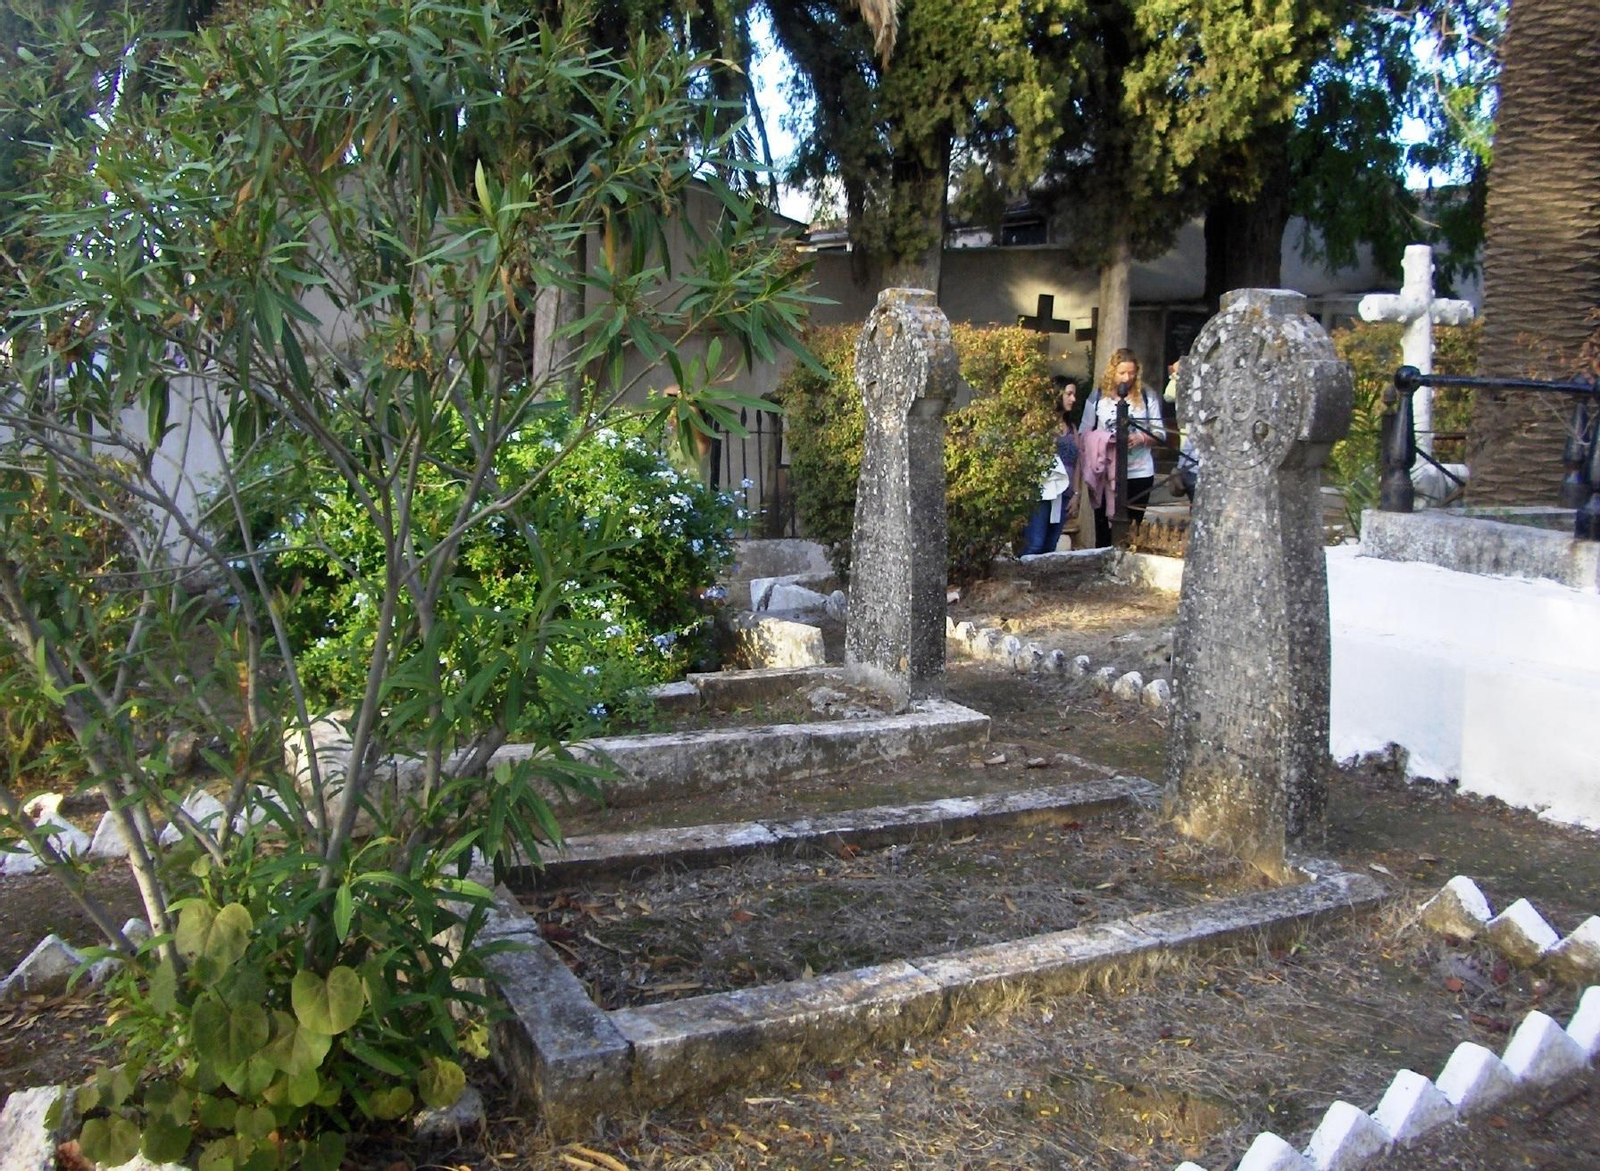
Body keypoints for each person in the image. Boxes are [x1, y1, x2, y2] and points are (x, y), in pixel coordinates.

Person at [1079, 347, 1165, 548]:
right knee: (1104, 530)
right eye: (1122, 373)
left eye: (1132, 373)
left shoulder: (1146, 396)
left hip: (1139, 471)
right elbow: (1084, 433)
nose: (1127, 378)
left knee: (1132, 530)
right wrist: (1105, 440)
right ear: (1112, 372)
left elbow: (1160, 433)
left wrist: (1142, 438)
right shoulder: (1098, 396)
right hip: (1106, 472)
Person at [1019, 378, 1080, 555]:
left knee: (1051, 543)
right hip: (1041, 490)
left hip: (1065, 494)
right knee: (1035, 542)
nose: (1073, 399)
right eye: (1068, 394)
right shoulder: (1039, 424)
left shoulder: (1071, 427)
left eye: (1074, 394)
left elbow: (1078, 462)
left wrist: (1076, 493)